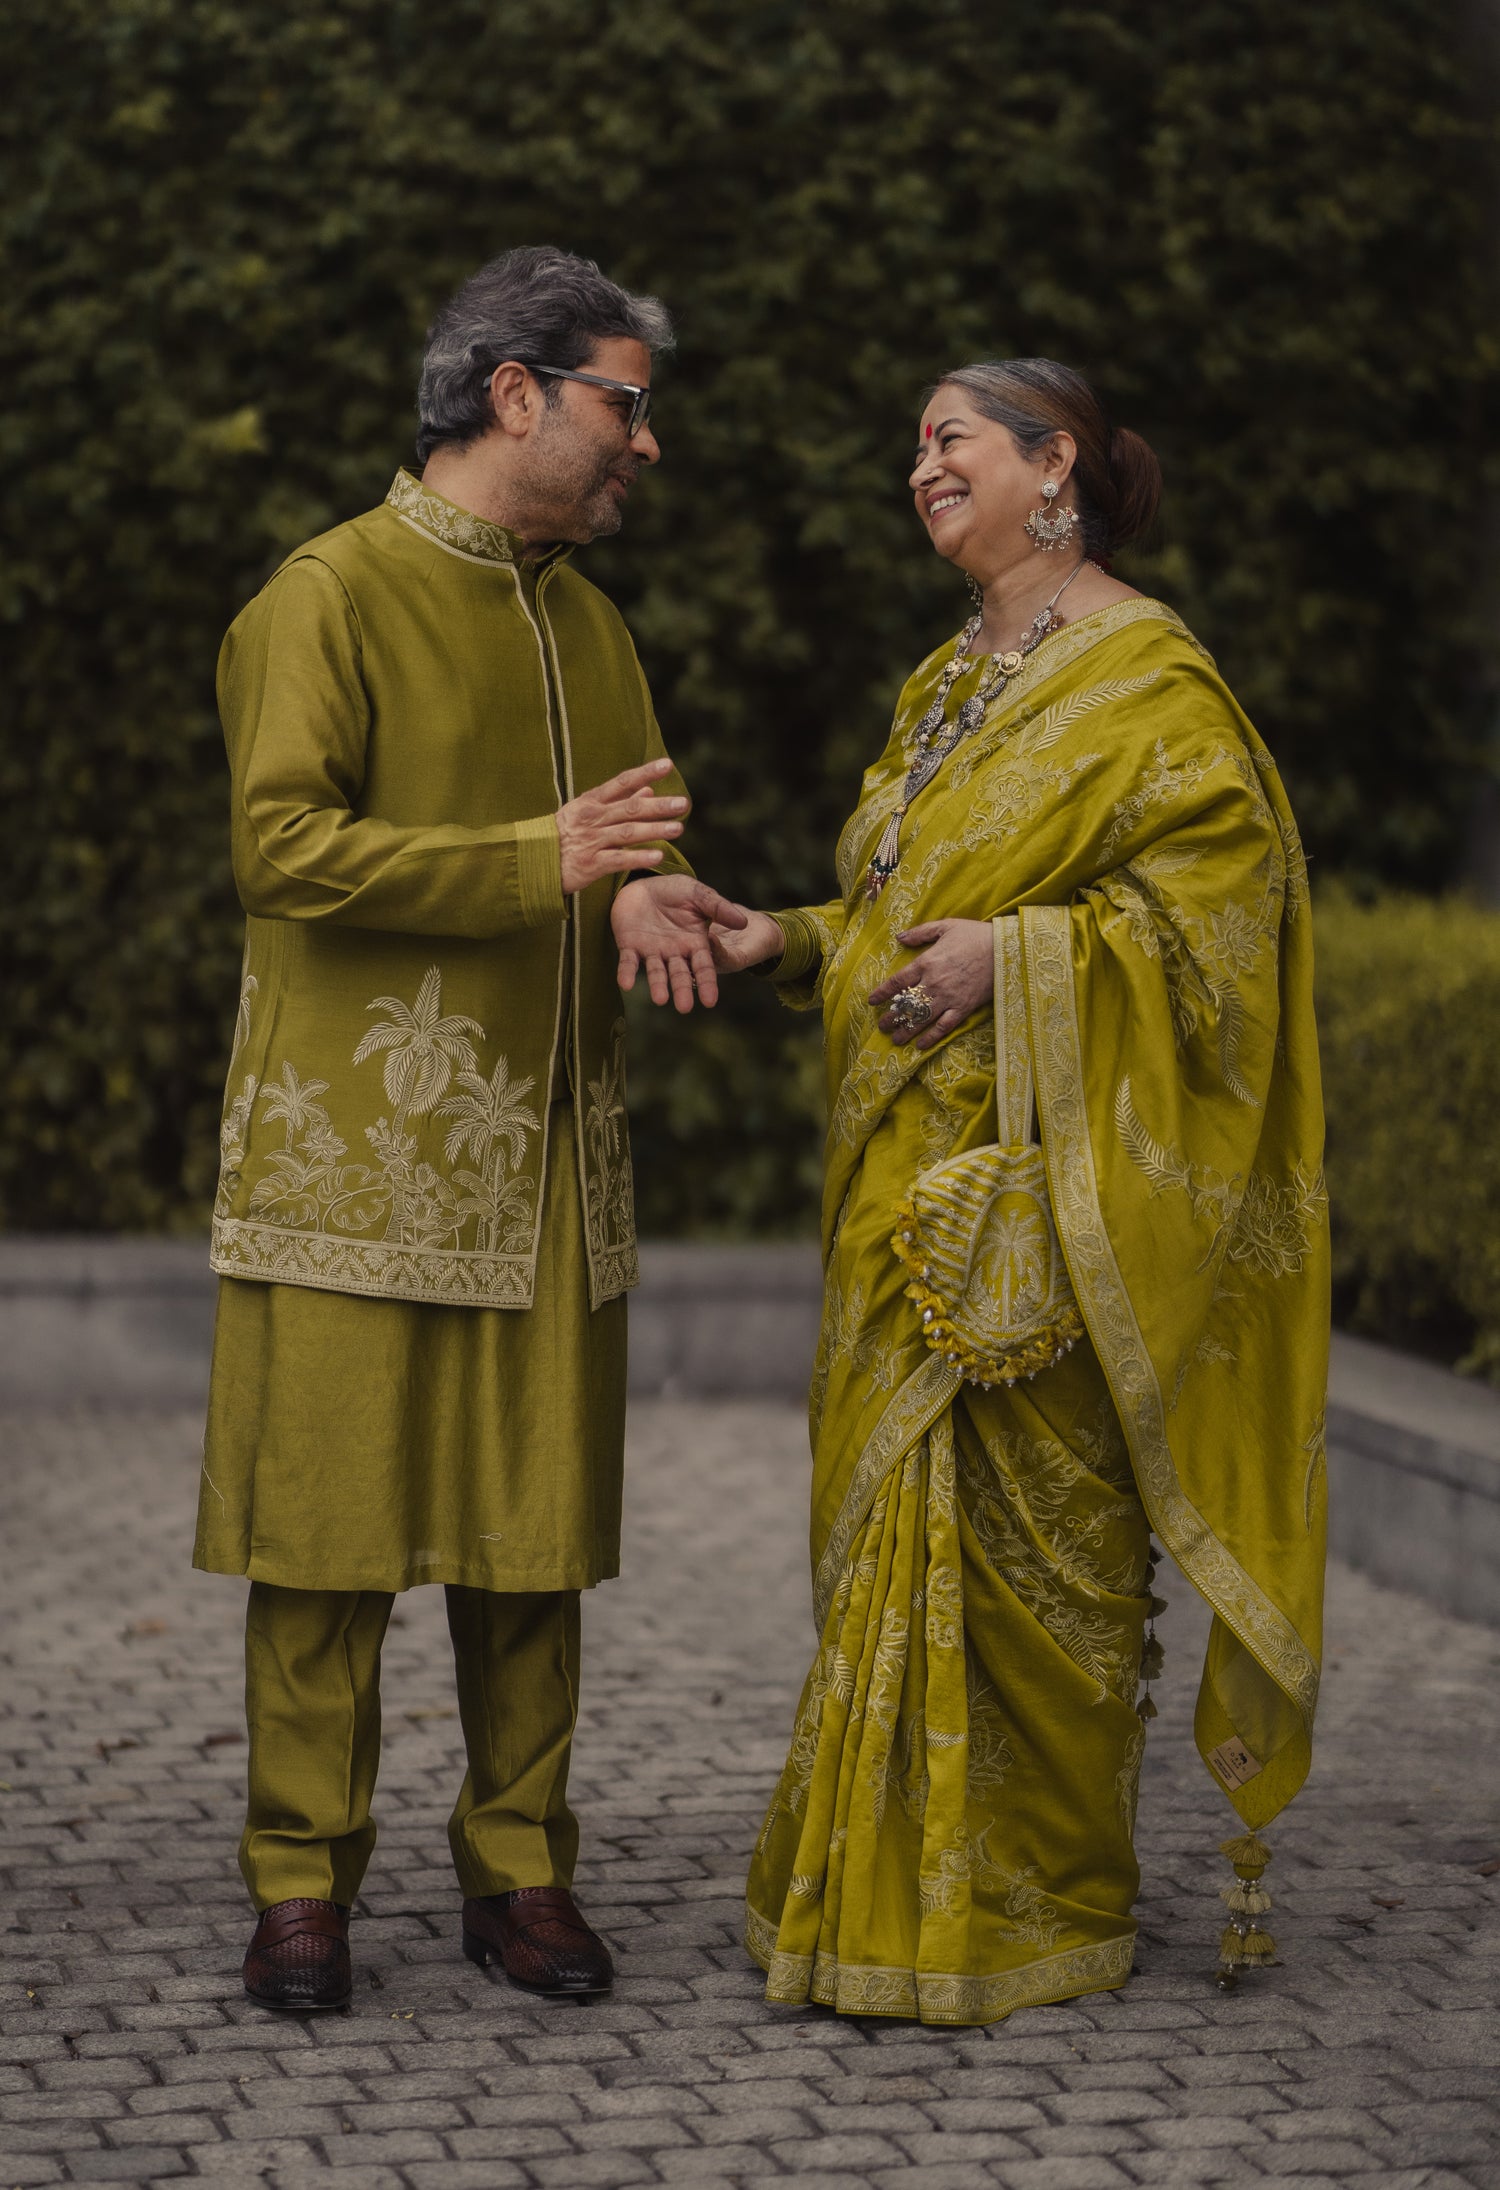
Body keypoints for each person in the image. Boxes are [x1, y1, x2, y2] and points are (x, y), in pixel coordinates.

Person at [711, 359, 1329, 2025]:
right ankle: (868, 1893)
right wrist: (788, 942)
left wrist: (1031, 958)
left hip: (1040, 1214)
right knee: (879, 1558)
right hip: (887, 1198)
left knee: (1035, 1567)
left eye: (951, 438)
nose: (920, 465)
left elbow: (1227, 937)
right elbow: (900, 927)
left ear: (1056, 463)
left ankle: (1032, 1908)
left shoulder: (1151, 682)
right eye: (912, 442)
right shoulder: (941, 686)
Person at [196, 245, 743, 2011]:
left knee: (533, 1550)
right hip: (355, 1163)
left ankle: (521, 1869)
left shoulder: (591, 627)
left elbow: (623, 856)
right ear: (516, 393)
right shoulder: (327, 596)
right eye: (625, 403)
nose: (643, 445)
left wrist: (648, 901)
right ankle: (301, 1887)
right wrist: (536, 864)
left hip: (552, 1167)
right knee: (326, 1545)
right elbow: (281, 847)